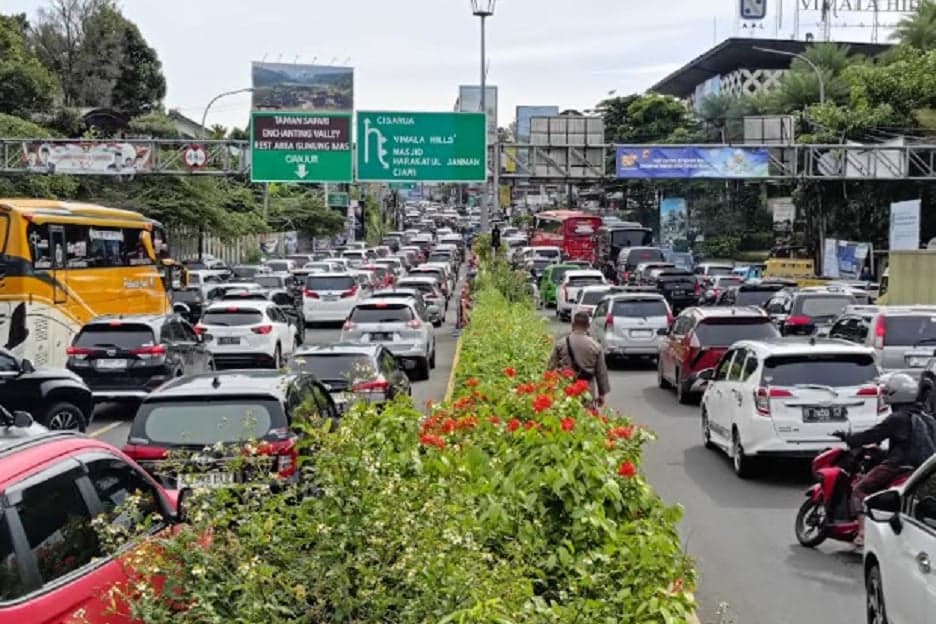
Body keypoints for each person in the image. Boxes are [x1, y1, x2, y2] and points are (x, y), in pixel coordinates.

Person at [833, 373, 936, 547]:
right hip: (923, 469)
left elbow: (872, 435)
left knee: (859, 490)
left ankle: (863, 533)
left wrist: (849, 439)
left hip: (899, 465)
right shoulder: (928, 419)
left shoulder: (897, 418)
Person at [548, 311, 610, 407]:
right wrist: (602, 394)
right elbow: (601, 373)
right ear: (588, 326)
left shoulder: (561, 343)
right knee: (586, 417)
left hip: (566, 388)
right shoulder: (596, 346)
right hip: (587, 390)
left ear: (573, 325)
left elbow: (550, 368)